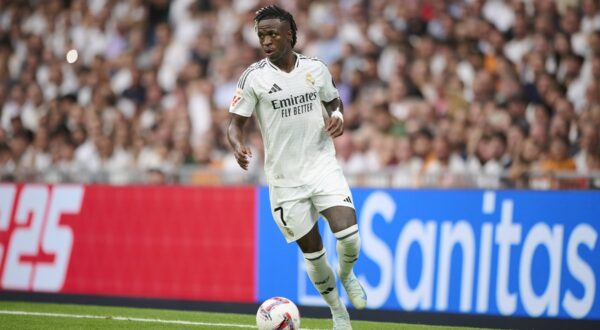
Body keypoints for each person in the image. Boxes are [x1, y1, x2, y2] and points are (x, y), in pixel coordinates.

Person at [227, 5, 366, 329]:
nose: (266, 40)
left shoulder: (316, 69)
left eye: (273, 33)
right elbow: (235, 124)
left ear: (290, 34)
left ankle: (346, 273)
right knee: (314, 253)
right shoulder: (254, 77)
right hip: (285, 180)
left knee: (349, 237)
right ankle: (338, 312)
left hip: (321, 166)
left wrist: (339, 117)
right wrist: (237, 145)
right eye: (262, 35)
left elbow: (333, 100)